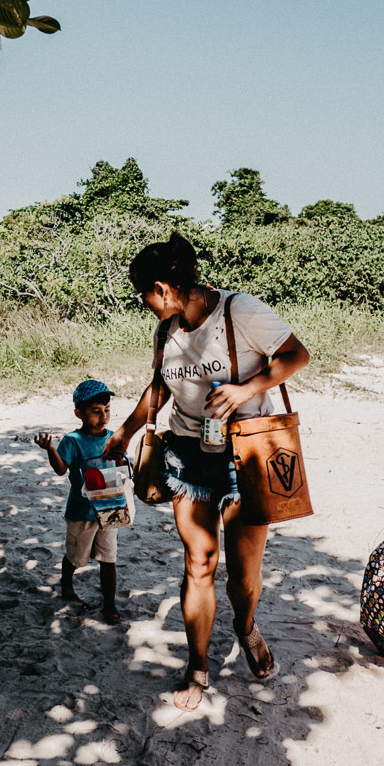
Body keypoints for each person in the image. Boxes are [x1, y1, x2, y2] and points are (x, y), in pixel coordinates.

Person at [102, 232, 310, 711]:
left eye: (143, 295)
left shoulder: (240, 311)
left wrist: (245, 390)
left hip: (246, 455)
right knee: (199, 562)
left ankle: (245, 626)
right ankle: (197, 666)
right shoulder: (167, 330)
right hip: (187, 455)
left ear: (162, 288)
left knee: (243, 576)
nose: (144, 304)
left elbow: (296, 355)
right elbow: (159, 388)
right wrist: (126, 432)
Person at [34, 380, 123, 625]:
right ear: (79, 413)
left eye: (107, 410)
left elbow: (121, 466)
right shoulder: (72, 440)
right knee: (75, 556)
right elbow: (61, 469)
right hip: (81, 511)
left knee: (109, 558)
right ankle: (66, 585)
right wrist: (50, 449)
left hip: (110, 507)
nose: (103, 416)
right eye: (96, 411)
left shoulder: (114, 438)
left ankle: (109, 605)